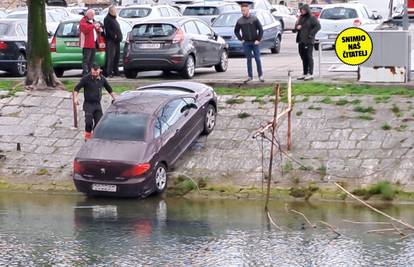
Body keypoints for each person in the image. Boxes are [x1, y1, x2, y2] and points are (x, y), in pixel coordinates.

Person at [74, 64, 116, 141]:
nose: (95, 74)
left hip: (97, 104)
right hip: (88, 104)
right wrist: (75, 98)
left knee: (99, 122)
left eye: (97, 72)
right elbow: (76, 88)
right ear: (91, 70)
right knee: (89, 121)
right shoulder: (86, 78)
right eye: (94, 72)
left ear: (99, 70)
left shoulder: (102, 79)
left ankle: (95, 135)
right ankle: (87, 136)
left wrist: (115, 99)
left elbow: (109, 89)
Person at [234, 3, 264, 83]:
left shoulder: (254, 19)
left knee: (257, 59)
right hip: (246, 43)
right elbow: (236, 31)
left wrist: (258, 39)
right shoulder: (240, 21)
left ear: (248, 10)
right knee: (249, 60)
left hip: (255, 42)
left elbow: (261, 30)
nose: (243, 12)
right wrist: (241, 39)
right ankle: (250, 76)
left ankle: (260, 75)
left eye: (244, 10)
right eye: (242, 11)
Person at [294, 4, 320, 81]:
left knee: (309, 56)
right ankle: (305, 72)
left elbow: (318, 26)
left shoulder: (312, 18)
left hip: (308, 40)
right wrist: (297, 27)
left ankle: (310, 73)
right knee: (303, 57)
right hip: (301, 40)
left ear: (306, 10)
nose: (301, 12)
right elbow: (296, 27)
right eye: (301, 10)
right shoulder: (301, 18)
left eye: (303, 10)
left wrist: (311, 34)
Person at [79, 9, 103, 76]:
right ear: (88, 14)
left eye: (93, 14)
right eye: (92, 14)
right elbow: (85, 29)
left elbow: (96, 29)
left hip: (94, 43)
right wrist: (93, 25)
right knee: (86, 60)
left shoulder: (93, 21)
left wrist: (99, 29)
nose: (93, 16)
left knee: (92, 60)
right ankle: (85, 73)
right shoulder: (83, 20)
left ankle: (90, 72)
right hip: (87, 44)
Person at [104, 5, 123, 77]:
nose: (116, 12)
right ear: (111, 11)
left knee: (116, 57)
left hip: (117, 41)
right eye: (115, 11)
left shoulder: (114, 19)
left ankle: (116, 71)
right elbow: (108, 30)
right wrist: (114, 36)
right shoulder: (107, 19)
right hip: (111, 41)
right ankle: (108, 72)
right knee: (110, 57)